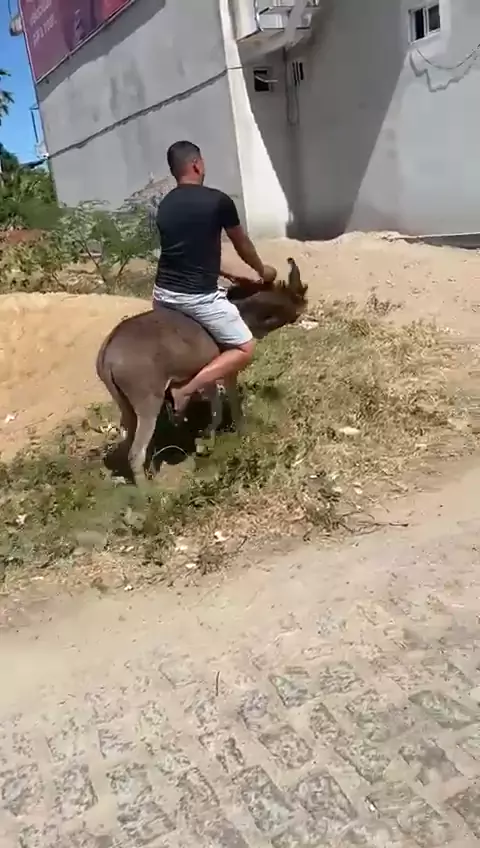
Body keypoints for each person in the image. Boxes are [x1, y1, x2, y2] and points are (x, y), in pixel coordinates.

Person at [152, 140, 276, 416]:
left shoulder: (165, 206)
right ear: (196, 164)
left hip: (162, 295)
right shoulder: (218, 201)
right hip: (196, 298)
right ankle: (185, 390)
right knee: (245, 347)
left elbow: (184, 254)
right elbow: (242, 245)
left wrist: (231, 275)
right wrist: (262, 270)